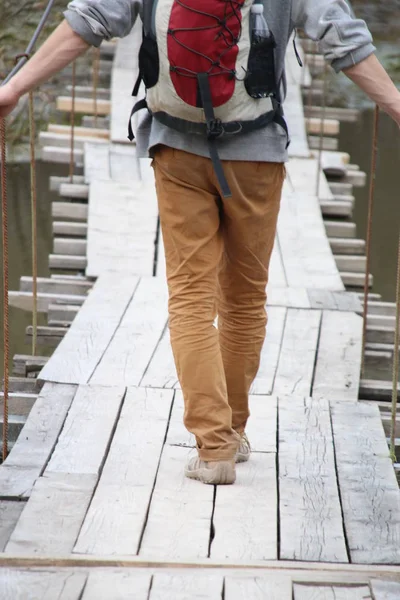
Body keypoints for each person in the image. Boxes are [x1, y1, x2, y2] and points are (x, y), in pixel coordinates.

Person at [0, 0, 399, 486]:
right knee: (245, 301)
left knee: (190, 299)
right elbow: (343, 37)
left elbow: (89, 21)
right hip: (257, 153)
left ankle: (214, 450)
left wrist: (15, 87)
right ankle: (232, 429)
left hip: (177, 147)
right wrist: (395, 104)